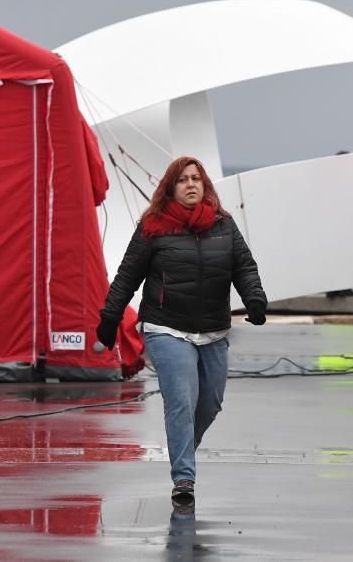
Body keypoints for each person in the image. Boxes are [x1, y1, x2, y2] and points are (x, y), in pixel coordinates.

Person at [96, 156, 267, 502]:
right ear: (171, 188)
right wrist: (110, 318)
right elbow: (127, 276)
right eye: (183, 180)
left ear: (204, 185)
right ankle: (184, 479)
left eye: (196, 179)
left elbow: (244, 268)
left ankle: (182, 446)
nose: (191, 184)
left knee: (210, 404)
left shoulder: (224, 224)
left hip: (213, 330)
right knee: (181, 401)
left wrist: (255, 301)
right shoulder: (153, 226)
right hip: (166, 327)